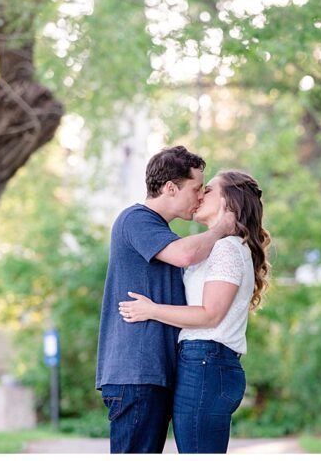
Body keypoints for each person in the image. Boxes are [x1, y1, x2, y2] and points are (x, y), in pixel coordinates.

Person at [118, 170, 270, 453]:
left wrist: (151, 310)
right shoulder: (220, 247)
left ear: (229, 202)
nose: (200, 195)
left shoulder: (227, 248)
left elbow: (209, 315)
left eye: (208, 190)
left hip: (206, 361)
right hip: (204, 362)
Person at [94, 146, 235, 453]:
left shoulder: (161, 231)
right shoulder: (135, 219)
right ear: (171, 188)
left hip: (153, 374)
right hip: (136, 374)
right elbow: (186, 255)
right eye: (196, 188)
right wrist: (222, 228)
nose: (200, 196)